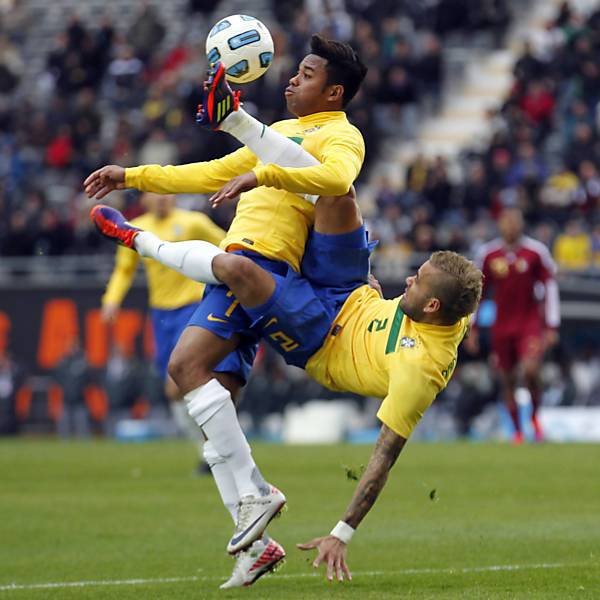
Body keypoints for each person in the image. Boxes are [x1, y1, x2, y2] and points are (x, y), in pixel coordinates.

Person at [84, 34, 368, 586]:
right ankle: (255, 545)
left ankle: (260, 495)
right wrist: (132, 176)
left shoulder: (342, 134)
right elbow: (208, 171)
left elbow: (338, 181)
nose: (291, 79)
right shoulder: (281, 132)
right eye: (295, 71)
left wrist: (263, 173)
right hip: (241, 263)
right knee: (207, 399)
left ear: (334, 91)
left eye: (306, 74)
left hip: (267, 268)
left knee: (184, 369)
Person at [90, 192, 483, 584]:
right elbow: (457, 294)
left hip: (317, 336)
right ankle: (255, 548)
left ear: (432, 306)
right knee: (188, 372)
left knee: (236, 268)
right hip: (343, 295)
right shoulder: (448, 313)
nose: (410, 279)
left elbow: (383, 457)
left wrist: (341, 533)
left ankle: (138, 239)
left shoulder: (419, 371)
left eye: (419, 282)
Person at [101, 192, 226, 471]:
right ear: (144, 198)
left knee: (178, 381)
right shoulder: (135, 227)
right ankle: (208, 449)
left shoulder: (193, 222)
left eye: (166, 193)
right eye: (155, 194)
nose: (161, 199)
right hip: (161, 315)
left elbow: (228, 243)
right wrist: (111, 299)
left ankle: (215, 449)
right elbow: (124, 270)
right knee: (172, 393)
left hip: (194, 307)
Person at [466, 207, 560, 443]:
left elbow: (550, 287)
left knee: (530, 370)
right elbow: (478, 293)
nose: (510, 226)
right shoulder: (489, 254)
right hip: (502, 325)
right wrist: (472, 327)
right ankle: (517, 431)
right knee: (506, 378)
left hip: (529, 323)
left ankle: (535, 418)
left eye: (514, 222)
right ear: (500, 225)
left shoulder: (535, 252)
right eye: (506, 222)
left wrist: (551, 326)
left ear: (521, 224)